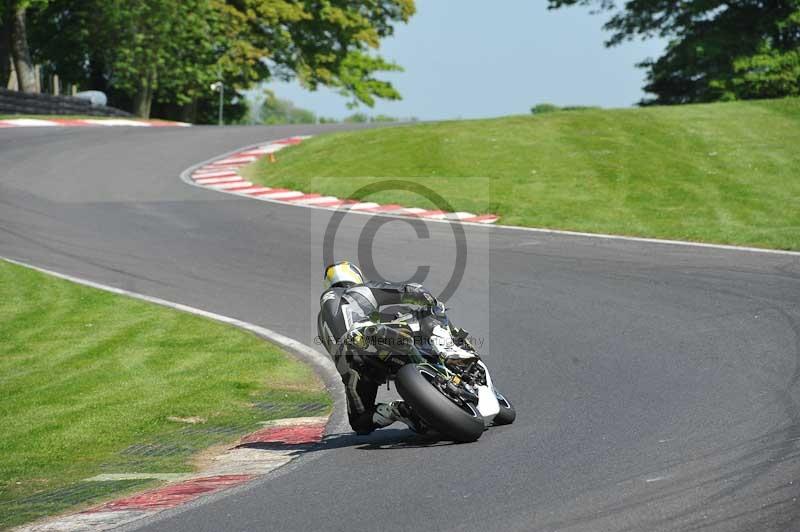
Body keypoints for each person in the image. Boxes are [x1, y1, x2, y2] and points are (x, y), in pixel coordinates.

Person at [316, 260, 442, 435]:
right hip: (378, 338)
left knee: (360, 422)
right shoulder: (361, 290)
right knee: (427, 325)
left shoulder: (320, 319)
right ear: (355, 275)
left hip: (354, 369)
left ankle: (395, 410)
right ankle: (448, 357)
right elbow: (407, 291)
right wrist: (430, 300)